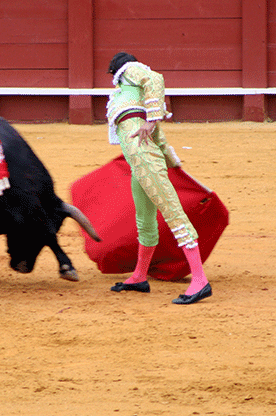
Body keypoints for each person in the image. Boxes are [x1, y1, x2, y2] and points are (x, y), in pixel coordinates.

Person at [106, 52, 211, 304]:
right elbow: (160, 139)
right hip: (138, 162)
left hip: (143, 158)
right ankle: (140, 276)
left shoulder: (131, 71)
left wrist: (152, 119)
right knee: (144, 219)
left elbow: (154, 78)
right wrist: (175, 163)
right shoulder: (136, 99)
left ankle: (200, 281)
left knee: (173, 212)